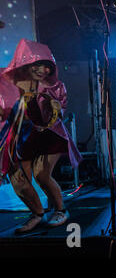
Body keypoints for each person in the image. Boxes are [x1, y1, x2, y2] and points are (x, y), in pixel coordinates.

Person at [0, 38, 82, 234]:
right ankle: (37, 214)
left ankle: (61, 211)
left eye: (47, 66)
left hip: (49, 136)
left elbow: (60, 111)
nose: (44, 70)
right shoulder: (4, 83)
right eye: (39, 64)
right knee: (19, 181)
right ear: (25, 62)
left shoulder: (55, 86)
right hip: (20, 137)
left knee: (42, 175)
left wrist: (56, 110)